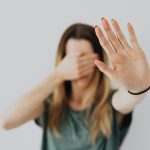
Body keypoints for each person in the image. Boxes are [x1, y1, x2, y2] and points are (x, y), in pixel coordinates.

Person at [0, 17, 149, 150]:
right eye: (73, 59)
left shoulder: (110, 104)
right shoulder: (50, 104)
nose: (79, 66)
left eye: (86, 58)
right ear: (62, 60)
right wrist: (58, 74)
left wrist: (138, 88)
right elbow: (6, 122)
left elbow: (129, 98)